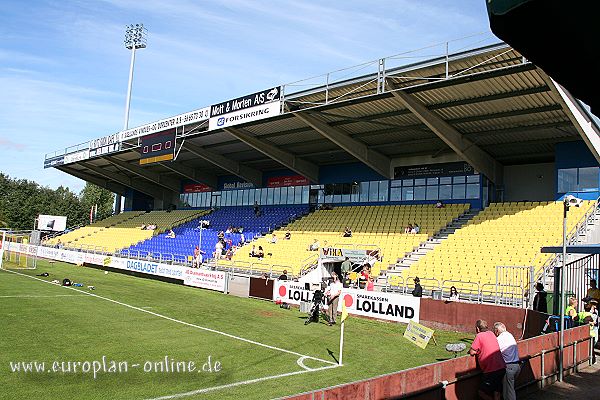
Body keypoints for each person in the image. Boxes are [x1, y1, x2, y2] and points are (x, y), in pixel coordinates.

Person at [469, 320, 506, 400]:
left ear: (477, 329)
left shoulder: (479, 336)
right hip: (501, 367)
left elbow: (472, 352)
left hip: (491, 370)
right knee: (497, 392)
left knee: (482, 392)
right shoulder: (491, 334)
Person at [493, 322, 521, 400]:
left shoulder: (500, 339)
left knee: (509, 393)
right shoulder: (510, 335)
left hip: (509, 368)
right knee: (509, 390)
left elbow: (494, 352)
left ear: (496, 331)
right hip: (516, 366)